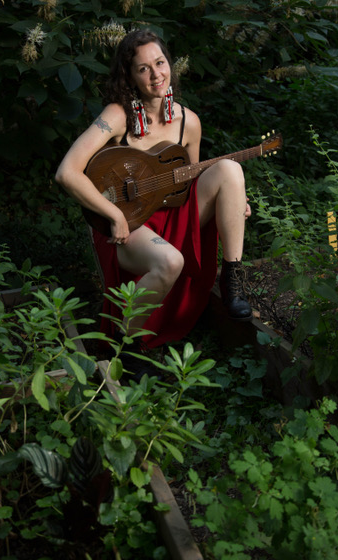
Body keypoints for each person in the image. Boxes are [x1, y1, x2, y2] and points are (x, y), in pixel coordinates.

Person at [55, 28, 252, 357]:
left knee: (230, 169)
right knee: (170, 260)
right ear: (130, 76)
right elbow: (66, 172)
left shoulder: (188, 121)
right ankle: (127, 347)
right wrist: (114, 214)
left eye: (160, 63)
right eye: (143, 68)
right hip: (127, 223)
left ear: (170, 65)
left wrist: (231, 197)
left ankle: (233, 283)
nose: (156, 74)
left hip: (170, 211)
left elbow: (191, 178)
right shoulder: (117, 116)